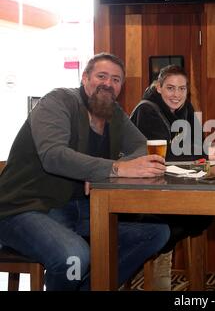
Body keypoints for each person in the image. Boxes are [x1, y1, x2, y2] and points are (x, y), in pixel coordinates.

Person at [0, 53, 170, 290]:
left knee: (157, 233)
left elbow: (142, 146)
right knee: (75, 256)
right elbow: (54, 156)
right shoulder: (58, 101)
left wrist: (102, 171)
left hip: (80, 210)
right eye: (101, 76)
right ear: (85, 77)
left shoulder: (115, 113)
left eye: (116, 79)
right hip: (25, 209)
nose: (108, 84)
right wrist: (113, 168)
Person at [130, 64, 212, 290]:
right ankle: (159, 272)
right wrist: (196, 154)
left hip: (176, 188)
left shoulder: (186, 109)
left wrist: (200, 154)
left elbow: (200, 150)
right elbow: (167, 156)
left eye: (182, 89)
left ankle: (169, 266)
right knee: (178, 219)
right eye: (170, 88)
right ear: (159, 87)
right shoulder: (146, 110)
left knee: (205, 213)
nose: (177, 95)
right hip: (142, 194)